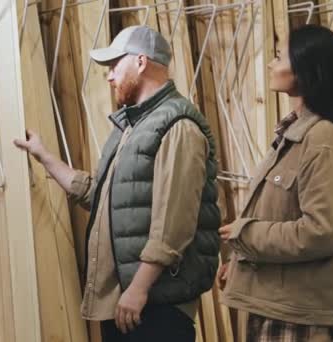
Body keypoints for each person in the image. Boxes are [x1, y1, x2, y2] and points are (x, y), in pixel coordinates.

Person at [14, 25, 220, 341]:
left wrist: (139, 288)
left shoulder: (178, 127)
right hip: (129, 300)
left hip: (154, 304)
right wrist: (44, 157)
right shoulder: (132, 127)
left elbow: (174, 223)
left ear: (141, 62)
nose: (109, 76)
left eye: (114, 66)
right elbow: (100, 195)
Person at [218, 24, 333, 342]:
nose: (272, 64)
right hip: (281, 312)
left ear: (304, 70)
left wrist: (246, 234)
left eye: (278, 56)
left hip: (301, 323)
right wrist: (242, 260)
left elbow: (324, 231)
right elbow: (283, 214)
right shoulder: (296, 136)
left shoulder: (323, 140)